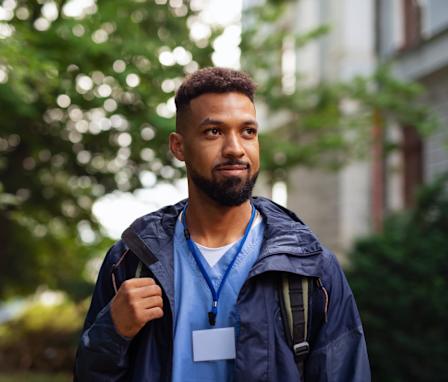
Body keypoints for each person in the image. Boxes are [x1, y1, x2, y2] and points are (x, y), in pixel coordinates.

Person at [74, 67, 370, 381]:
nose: (235, 149)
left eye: (248, 132)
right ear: (178, 146)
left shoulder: (310, 268)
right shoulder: (131, 261)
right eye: (214, 132)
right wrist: (112, 333)